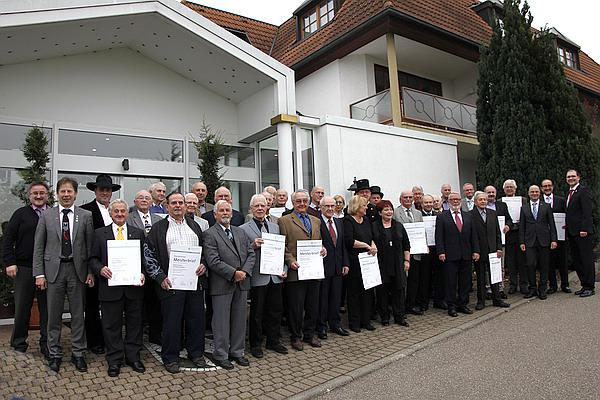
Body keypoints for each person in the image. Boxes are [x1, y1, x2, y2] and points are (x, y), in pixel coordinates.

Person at [33, 177, 95, 373]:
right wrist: (39, 274)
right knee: (53, 316)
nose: (66, 195)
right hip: (54, 272)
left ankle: (78, 353)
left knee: (78, 315)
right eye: (63, 191)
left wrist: (91, 272)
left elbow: (90, 247)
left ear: (75, 194)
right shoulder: (47, 216)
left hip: (77, 271)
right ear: (57, 194)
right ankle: (55, 354)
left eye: (70, 191)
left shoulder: (85, 216)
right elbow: (39, 247)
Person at [144, 192, 208, 373]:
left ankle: (196, 353)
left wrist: (203, 264)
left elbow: (204, 252)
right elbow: (148, 256)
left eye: (181, 202)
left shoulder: (194, 226)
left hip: (193, 282)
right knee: (172, 322)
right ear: (167, 206)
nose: (178, 205)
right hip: (170, 283)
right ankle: (170, 357)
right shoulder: (158, 228)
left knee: (196, 319)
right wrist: (160, 277)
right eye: (174, 203)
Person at [89, 199, 146, 377]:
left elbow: (144, 259)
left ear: (127, 213)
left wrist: (143, 273)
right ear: (111, 213)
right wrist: (100, 269)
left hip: (133, 288)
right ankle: (114, 360)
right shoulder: (99, 234)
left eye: (123, 211)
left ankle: (133, 357)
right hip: (110, 288)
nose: (120, 214)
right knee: (111, 326)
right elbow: (92, 259)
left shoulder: (138, 233)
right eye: (116, 212)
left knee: (135, 325)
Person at [204, 200, 255, 370]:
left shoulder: (240, 232)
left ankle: (237, 352)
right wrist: (234, 274)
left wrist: (245, 272)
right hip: (222, 284)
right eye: (222, 211)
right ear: (215, 214)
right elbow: (213, 260)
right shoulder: (210, 234)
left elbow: (250, 253)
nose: (225, 213)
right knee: (221, 322)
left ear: (232, 214)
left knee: (240, 320)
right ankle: (221, 354)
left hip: (242, 283)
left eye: (228, 210)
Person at [3, 182, 49, 357]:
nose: (38, 196)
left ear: (47, 195)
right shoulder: (20, 214)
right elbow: (8, 239)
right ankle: (18, 342)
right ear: (29, 195)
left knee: (47, 309)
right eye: (35, 193)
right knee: (23, 308)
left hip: (47, 269)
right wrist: (9, 262)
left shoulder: (53, 214)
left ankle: (46, 343)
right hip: (24, 268)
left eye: (42, 193)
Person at [240, 195, 288, 358]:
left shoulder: (275, 227)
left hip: (275, 276)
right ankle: (255, 344)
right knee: (257, 313)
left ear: (267, 208)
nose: (260, 208)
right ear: (251, 209)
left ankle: (273, 341)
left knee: (275, 310)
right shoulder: (243, 229)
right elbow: (240, 254)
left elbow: (281, 251)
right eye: (257, 206)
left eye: (263, 206)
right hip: (257, 276)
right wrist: (253, 246)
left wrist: (284, 268)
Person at [278, 189, 326, 350]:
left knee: (313, 305)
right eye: (298, 201)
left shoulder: (316, 220)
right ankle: (296, 336)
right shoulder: (284, 221)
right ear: (293, 203)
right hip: (296, 271)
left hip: (313, 270)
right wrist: (290, 260)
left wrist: (323, 250)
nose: (302, 204)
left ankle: (309, 334)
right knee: (296, 307)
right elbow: (282, 246)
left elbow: (318, 242)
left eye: (304, 201)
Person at [81, 174, 122, 355]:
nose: (105, 192)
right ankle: (95, 341)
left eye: (108, 190)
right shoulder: (85, 211)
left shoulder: (118, 211)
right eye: (102, 189)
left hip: (117, 269)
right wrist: (90, 270)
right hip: (95, 266)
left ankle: (111, 340)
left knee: (113, 306)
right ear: (95, 191)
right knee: (92, 305)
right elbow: (83, 244)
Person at [127, 189, 163, 345]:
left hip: (155, 267)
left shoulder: (159, 219)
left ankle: (155, 335)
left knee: (155, 303)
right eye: (140, 198)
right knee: (138, 306)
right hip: (137, 267)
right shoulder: (128, 218)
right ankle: (138, 338)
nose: (144, 200)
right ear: (135, 202)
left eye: (147, 198)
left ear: (151, 202)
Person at [435, 192, 480, 317]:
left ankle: (463, 304)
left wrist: (476, 250)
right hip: (449, 255)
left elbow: (473, 235)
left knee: (465, 281)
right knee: (451, 282)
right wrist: (441, 252)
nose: (455, 202)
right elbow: (439, 236)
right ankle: (451, 306)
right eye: (453, 200)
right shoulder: (442, 217)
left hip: (466, 254)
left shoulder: (468, 216)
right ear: (448, 201)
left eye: (457, 199)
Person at [372, 200, 410, 327]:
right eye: (386, 210)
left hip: (397, 263)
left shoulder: (399, 225)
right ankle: (385, 317)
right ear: (380, 212)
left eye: (390, 209)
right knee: (382, 292)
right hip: (381, 264)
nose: (389, 212)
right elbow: (370, 241)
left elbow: (406, 245)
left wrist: (407, 260)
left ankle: (399, 316)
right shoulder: (374, 226)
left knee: (398, 291)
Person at [317, 196, 350, 339]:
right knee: (323, 299)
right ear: (321, 207)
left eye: (333, 206)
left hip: (338, 267)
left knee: (336, 298)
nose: (330, 208)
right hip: (323, 267)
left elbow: (342, 245)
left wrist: (345, 263)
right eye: (327, 206)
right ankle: (321, 327)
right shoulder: (316, 223)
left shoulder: (338, 222)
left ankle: (335, 324)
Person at [343, 195, 377, 332]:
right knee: (354, 293)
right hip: (354, 261)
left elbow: (371, 237)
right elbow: (349, 241)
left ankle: (366, 320)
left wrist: (373, 246)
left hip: (367, 261)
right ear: (357, 207)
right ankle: (354, 322)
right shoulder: (348, 220)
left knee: (367, 292)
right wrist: (366, 246)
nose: (367, 208)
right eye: (364, 205)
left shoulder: (366, 220)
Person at [470, 191, 510, 309]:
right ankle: (481, 301)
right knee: (481, 277)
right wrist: (475, 251)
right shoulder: (470, 215)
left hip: (493, 251)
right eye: (480, 200)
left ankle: (497, 299)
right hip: (479, 251)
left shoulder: (493, 213)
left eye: (484, 199)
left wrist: (498, 248)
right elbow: (472, 235)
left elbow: (498, 233)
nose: (483, 201)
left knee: (495, 276)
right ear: (476, 202)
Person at [519, 185, 558, 300]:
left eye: (536, 191)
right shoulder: (524, 208)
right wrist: (522, 242)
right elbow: (522, 226)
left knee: (544, 265)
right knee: (530, 264)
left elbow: (552, 224)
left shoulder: (546, 207)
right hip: (529, 241)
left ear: (539, 193)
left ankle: (542, 289)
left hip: (544, 241)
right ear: (528, 193)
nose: (534, 193)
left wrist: (554, 240)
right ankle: (532, 288)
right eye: (532, 192)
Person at [393, 190, 426, 315]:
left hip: (416, 251)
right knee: (402, 281)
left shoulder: (418, 213)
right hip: (401, 252)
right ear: (400, 199)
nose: (408, 199)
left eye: (410, 197)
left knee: (414, 280)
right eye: (405, 197)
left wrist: (424, 245)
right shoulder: (395, 212)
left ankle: (410, 305)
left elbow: (421, 231)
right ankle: (400, 306)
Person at [564, 169, 595, 297]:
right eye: (568, 177)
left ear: (578, 177)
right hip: (572, 233)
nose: (570, 178)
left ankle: (590, 286)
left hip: (582, 233)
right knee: (577, 260)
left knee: (586, 259)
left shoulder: (583, 191)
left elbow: (587, 212)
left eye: (573, 176)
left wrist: (584, 229)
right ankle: (584, 285)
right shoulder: (569, 193)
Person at [540, 179, 570, 293]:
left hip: (560, 236)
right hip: (545, 238)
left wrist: (566, 227)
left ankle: (565, 285)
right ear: (541, 188)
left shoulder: (561, 201)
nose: (547, 188)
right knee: (549, 262)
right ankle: (552, 285)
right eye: (545, 186)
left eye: (549, 185)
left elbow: (567, 216)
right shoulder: (539, 201)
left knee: (563, 261)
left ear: (552, 186)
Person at [500, 179, 527, 294]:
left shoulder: (523, 200)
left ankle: (524, 284)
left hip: (521, 233)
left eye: (511, 187)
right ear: (504, 189)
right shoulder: (500, 201)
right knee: (510, 262)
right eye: (507, 187)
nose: (509, 189)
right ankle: (513, 284)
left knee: (522, 260)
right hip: (507, 234)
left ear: (515, 188)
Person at [485, 185, 512, 298]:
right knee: (487, 267)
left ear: (496, 193)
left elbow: (509, 219)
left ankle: (500, 289)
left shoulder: (502, 205)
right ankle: (489, 289)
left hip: (500, 241)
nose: (491, 194)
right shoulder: (482, 205)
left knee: (500, 266)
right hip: (486, 242)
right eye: (489, 192)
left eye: (493, 192)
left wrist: (507, 226)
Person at [421, 194, 445, 309]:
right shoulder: (418, 216)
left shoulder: (439, 216)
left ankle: (439, 301)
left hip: (437, 249)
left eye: (430, 202)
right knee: (425, 277)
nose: (429, 204)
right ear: (422, 204)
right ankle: (424, 302)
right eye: (426, 203)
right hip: (424, 250)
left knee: (439, 276)